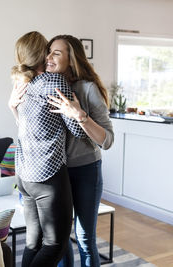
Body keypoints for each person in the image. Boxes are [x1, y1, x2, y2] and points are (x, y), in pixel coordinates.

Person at [8, 31, 87, 267]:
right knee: (55, 245)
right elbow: (79, 130)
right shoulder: (54, 81)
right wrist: (78, 110)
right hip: (47, 175)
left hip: (24, 175)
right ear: (43, 53)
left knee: (34, 242)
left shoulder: (22, 83)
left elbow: (25, 123)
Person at [46, 35, 114, 267]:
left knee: (85, 238)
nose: (49, 57)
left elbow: (107, 140)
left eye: (56, 52)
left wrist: (79, 115)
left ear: (71, 58)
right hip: (57, 173)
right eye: (49, 51)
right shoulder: (47, 85)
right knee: (60, 239)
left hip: (86, 171)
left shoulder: (87, 89)